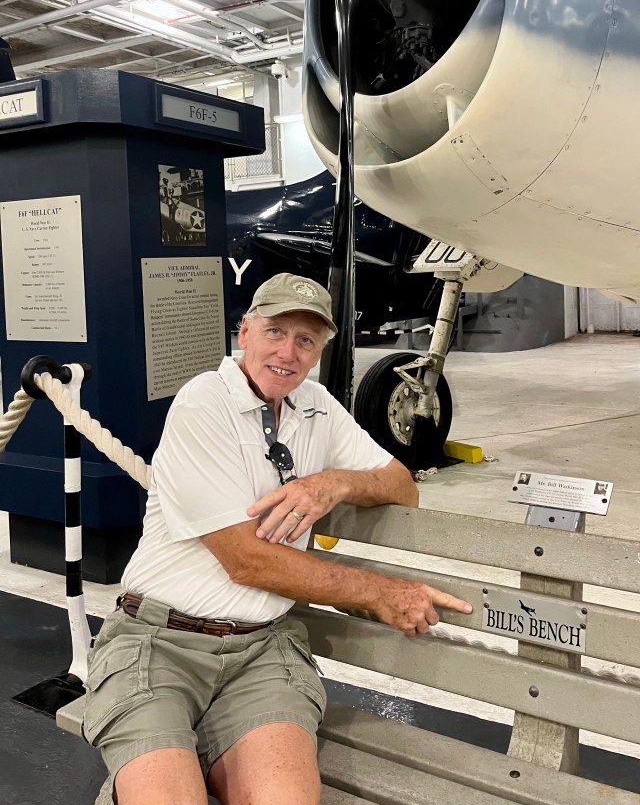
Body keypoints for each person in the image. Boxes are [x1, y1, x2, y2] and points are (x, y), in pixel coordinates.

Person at [84, 272, 471, 805]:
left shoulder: (316, 406)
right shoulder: (204, 403)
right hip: (159, 643)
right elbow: (246, 560)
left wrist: (333, 482)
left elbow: (403, 489)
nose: (288, 352)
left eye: (306, 339)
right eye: (275, 331)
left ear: (320, 350)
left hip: (261, 650)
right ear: (245, 331)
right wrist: (378, 592)